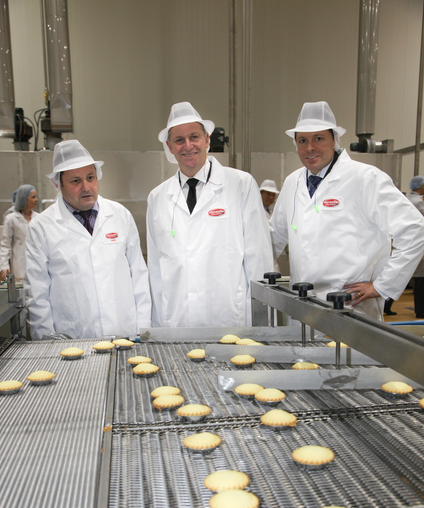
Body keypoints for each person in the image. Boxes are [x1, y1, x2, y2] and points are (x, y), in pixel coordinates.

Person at [270, 101, 424, 320]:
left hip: (352, 306)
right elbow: (275, 236)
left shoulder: (365, 178)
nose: (310, 147)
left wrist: (381, 285)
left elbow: (414, 230)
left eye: (319, 138)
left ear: (335, 140)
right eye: (302, 140)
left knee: (347, 354)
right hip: (303, 307)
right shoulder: (292, 182)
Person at [147, 101, 273, 327]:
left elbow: (259, 259)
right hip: (177, 321)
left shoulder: (240, 184)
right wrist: (158, 328)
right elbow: (156, 272)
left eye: (194, 137)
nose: (188, 146)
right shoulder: (157, 198)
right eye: (179, 140)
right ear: (169, 146)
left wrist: (263, 327)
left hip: (228, 319)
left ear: (207, 139)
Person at [25, 140, 151, 340]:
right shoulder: (41, 228)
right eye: (75, 181)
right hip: (72, 342)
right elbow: (38, 296)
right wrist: (47, 344)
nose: (86, 187)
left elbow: (139, 277)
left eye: (90, 178)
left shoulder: (120, 215)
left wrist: (143, 330)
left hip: (124, 334)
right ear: (58, 184)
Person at [0, 185, 39, 281]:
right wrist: (3, 265)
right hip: (19, 270)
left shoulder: (39, 218)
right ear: (24, 199)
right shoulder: (11, 219)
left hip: (37, 268)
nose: (36, 200)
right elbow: (5, 244)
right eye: (33, 197)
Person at [406, 175, 424, 318]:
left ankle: (387, 304)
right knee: (420, 278)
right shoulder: (418, 202)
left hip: (408, 241)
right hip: (418, 241)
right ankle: (420, 310)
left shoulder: (408, 199)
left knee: (408, 274)